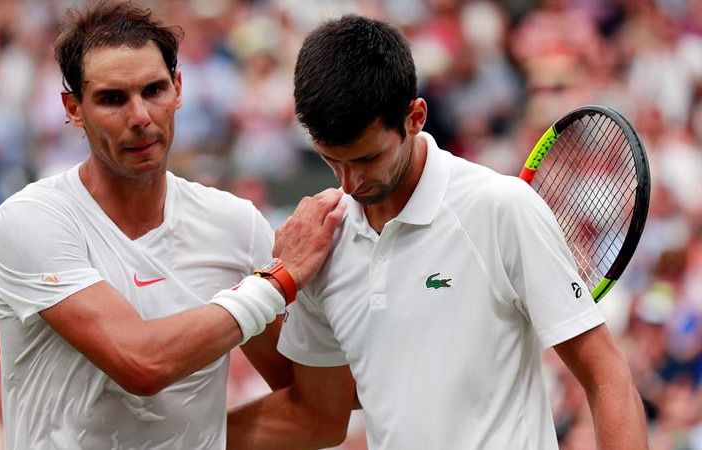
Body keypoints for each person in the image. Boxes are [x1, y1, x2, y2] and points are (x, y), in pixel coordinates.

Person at [227, 15, 649, 450]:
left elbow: (607, 379)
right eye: (333, 160)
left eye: (368, 158)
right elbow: (318, 413)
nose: (350, 184)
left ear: (415, 117)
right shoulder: (321, 245)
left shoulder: (500, 208)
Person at [0, 3, 344, 449]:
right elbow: (141, 363)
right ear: (73, 108)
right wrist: (279, 281)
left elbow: (316, 416)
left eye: (154, 90)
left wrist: (331, 291)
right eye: (112, 98)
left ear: (178, 89)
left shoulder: (232, 225)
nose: (139, 116)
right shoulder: (32, 219)